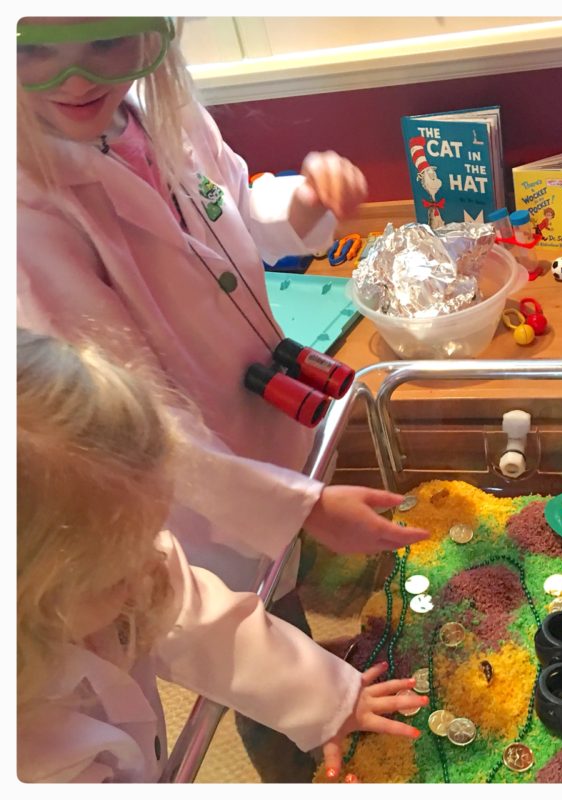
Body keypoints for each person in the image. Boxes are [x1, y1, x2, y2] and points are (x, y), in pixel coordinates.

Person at [16, 15, 428, 591]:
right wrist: (297, 509)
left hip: (267, 411)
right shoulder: (28, 216)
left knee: (290, 566)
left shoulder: (166, 117)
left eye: (105, 43)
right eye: (35, 52)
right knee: (253, 611)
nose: (76, 79)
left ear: (151, 35)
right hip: (201, 482)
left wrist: (305, 203)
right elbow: (129, 417)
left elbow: (233, 207)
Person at [16, 328, 428, 782]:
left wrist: (328, 699)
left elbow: (197, 619)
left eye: (154, 533)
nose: (153, 567)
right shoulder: (30, 751)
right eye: (116, 575)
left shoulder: (111, 574)